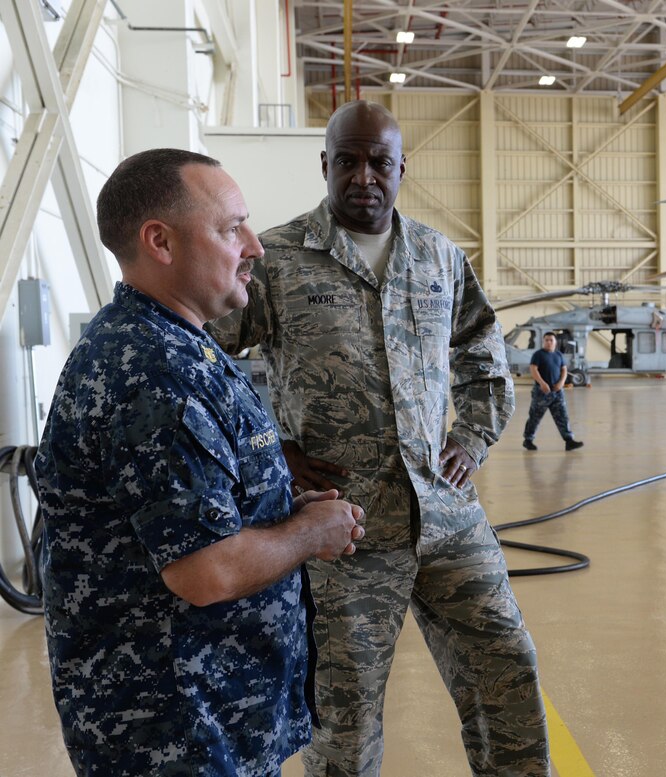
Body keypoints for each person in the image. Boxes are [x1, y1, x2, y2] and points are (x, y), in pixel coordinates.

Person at [208, 100, 549, 777]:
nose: (364, 175)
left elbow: (485, 353)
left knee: (507, 670)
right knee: (346, 714)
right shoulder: (278, 259)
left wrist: (472, 439)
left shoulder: (439, 257)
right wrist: (270, 450)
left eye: (379, 161)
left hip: (446, 513)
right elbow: (208, 359)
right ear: (326, 164)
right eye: (349, 160)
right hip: (343, 527)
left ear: (401, 167)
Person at [34, 148, 364, 776]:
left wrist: (278, 509)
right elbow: (203, 572)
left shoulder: (182, 347)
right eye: (229, 227)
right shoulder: (153, 373)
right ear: (159, 241)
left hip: (215, 715)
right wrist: (309, 532)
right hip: (173, 729)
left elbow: (187, 510)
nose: (255, 246)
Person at [523, 331, 584, 451]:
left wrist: (561, 383)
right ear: (543, 342)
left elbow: (564, 370)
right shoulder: (538, 355)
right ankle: (528, 440)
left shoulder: (559, 355)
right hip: (542, 392)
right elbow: (533, 369)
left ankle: (569, 441)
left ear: (555, 342)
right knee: (535, 417)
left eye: (551, 340)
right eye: (546, 340)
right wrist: (542, 383)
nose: (549, 342)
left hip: (557, 392)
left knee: (562, 416)